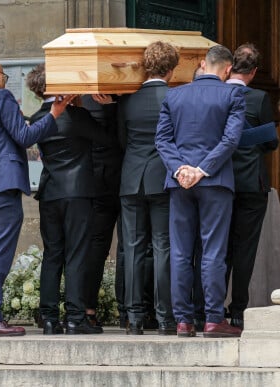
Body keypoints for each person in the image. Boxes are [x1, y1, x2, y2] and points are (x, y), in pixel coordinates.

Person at [0, 56, 73, 337]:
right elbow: (24, 136)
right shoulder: (0, 97)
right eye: (4, 76)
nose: (4, 80)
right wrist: (55, 113)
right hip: (1, 185)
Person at [155, 45, 245, 338]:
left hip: (179, 183)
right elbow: (231, 140)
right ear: (228, 69)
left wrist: (181, 169)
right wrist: (202, 169)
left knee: (180, 252)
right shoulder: (233, 94)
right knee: (213, 252)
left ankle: (183, 321)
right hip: (215, 181)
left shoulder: (175, 94)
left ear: (203, 65)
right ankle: (213, 319)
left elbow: (162, 140)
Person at [27, 65, 111, 335]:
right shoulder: (76, 116)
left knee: (53, 255)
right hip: (77, 193)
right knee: (76, 254)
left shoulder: (39, 117)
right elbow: (107, 139)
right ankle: (75, 317)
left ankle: (49, 318)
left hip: (50, 193)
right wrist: (107, 108)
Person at [118, 41, 179, 335]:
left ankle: (134, 317)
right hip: (163, 179)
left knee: (132, 249)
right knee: (163, 247)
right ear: (171, 68)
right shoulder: (175, 97)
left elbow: (121, 138)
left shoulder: (127, 99)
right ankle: (165, 318)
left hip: (131, 178)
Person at [224, 43, 279, 329]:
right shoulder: (258, 98)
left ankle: (211, 307)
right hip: (252, 183)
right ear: (255, 71)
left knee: (219, 247)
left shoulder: (218, 93)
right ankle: (238, 310)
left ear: (230, 66)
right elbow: (271, 142)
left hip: (221, 182)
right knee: (245, 249)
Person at [80, 93, 122, 327]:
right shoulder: (113, 103)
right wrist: (114, 108)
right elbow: (116, 140)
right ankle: (129, 312)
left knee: (95, 247)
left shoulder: (81, 101)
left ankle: (86, 308)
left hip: (93, 181)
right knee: (125, 247)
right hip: (111, 182)